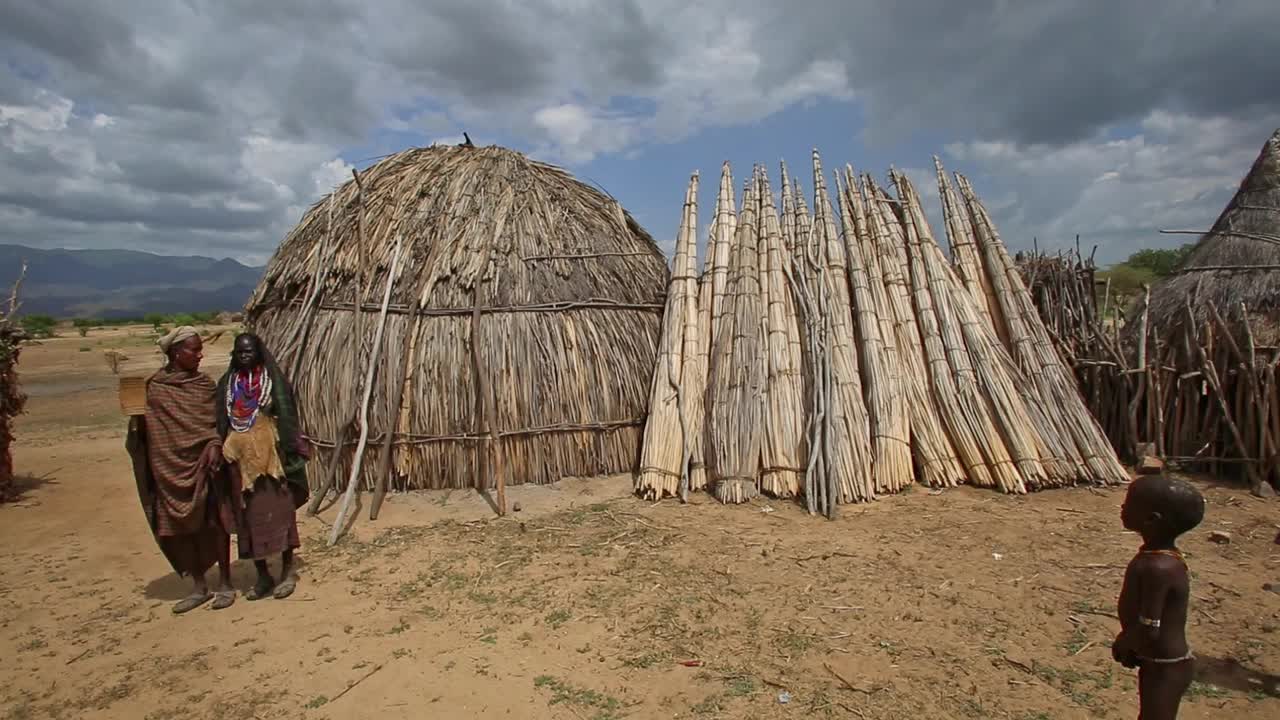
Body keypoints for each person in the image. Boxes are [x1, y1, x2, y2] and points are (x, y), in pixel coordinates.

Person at [126, 326, 237, 613]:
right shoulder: (154, 389)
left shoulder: (204, 386)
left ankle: (225, 582)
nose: (200, 355)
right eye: (194, 350)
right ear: (176, 353)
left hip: (205, 464)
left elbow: (218, 423)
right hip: (168, 465)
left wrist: (214, 443)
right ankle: (199, 586)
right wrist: (135, 419)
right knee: (180, 526)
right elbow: (142, 431)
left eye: (200, 349)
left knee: (216, 522)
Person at [216, 332, 310, 601]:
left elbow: (288, 416)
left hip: (273, 464)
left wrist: (289, 444)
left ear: (259, 353)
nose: (244, 356)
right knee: (248, 520)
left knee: (282, 514)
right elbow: (220, 421)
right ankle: (262, 576)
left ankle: (287, 570)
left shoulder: (273, 382)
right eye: (240, 352)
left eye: (249, 351)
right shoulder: (227, 385)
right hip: (242, 468)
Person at [1112, 475, 1206, 719]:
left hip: (1166, 667)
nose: (1122, 507)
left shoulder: (1158, 567)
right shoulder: (1162, 557)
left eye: (1129, 503)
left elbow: (1150, 626)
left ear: (1151, 519)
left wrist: (1125, 641)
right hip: (1158, 660)